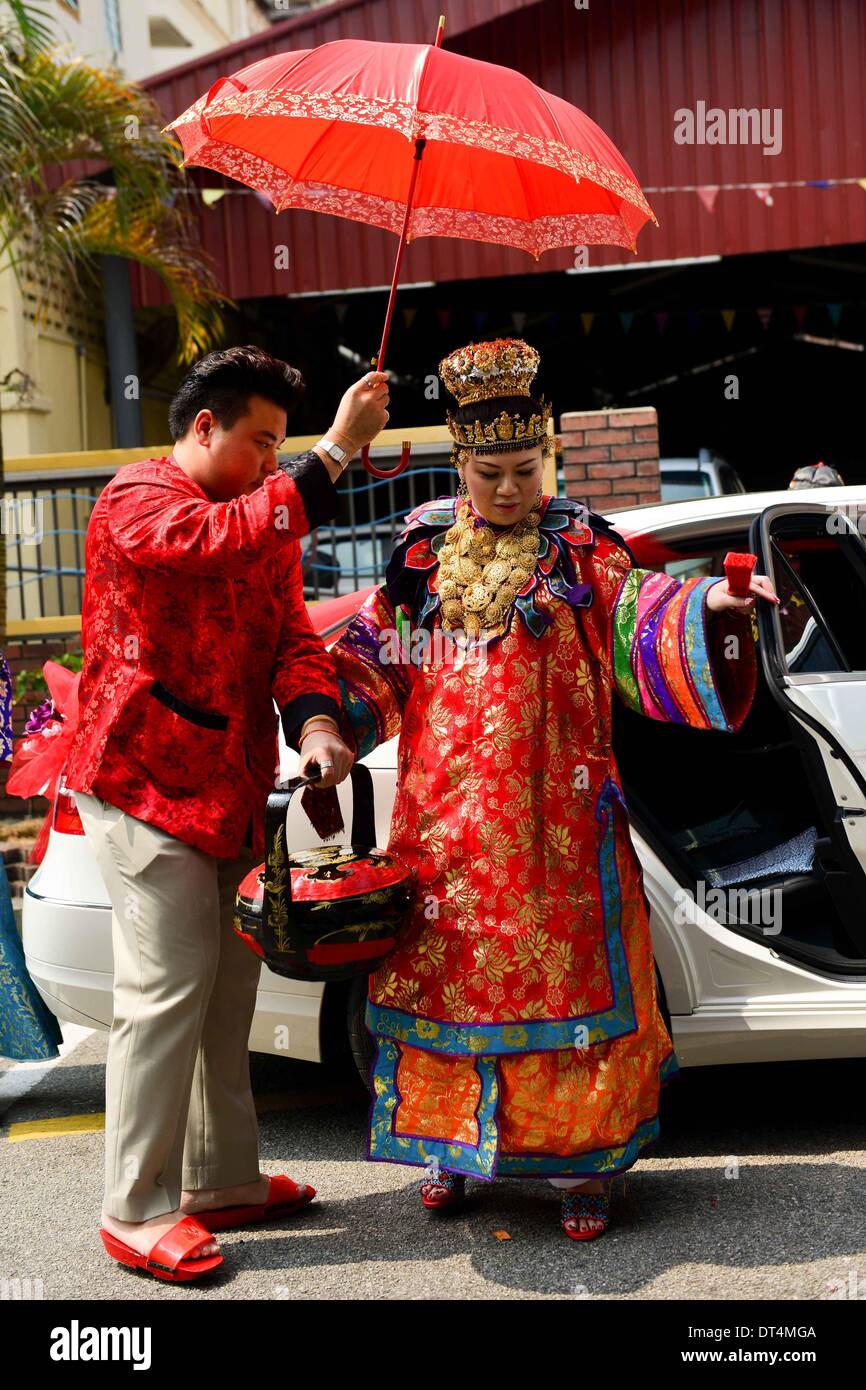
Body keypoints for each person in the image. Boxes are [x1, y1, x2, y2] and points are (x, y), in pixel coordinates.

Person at [324, 337, 779, 1240]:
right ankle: (452, 1149)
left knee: (565, 993)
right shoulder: (420, 551)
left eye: (524, 468)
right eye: (488, 471)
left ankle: (583, 1171)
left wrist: (712, 610)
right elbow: (379, 655)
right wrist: (330, 726)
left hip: (556, 826)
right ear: (461, 462)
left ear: (549, 459)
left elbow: (643, 615)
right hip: (445, 826)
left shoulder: (578, 547)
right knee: (447, 985)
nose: (507, 488)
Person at [62, 346, 384, 1281]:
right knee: (167, 989)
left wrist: (317, 725)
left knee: (227, 991)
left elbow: (293, 640)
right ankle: (133, 1206)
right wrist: (332, 454)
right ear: (203, 427)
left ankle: (220, 1178)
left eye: (280, 444)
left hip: (231, 783)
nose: (270, 461)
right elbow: (217, 541)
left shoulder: (262, 515)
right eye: (260, 441)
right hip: (141, 780)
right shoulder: (136, 497)